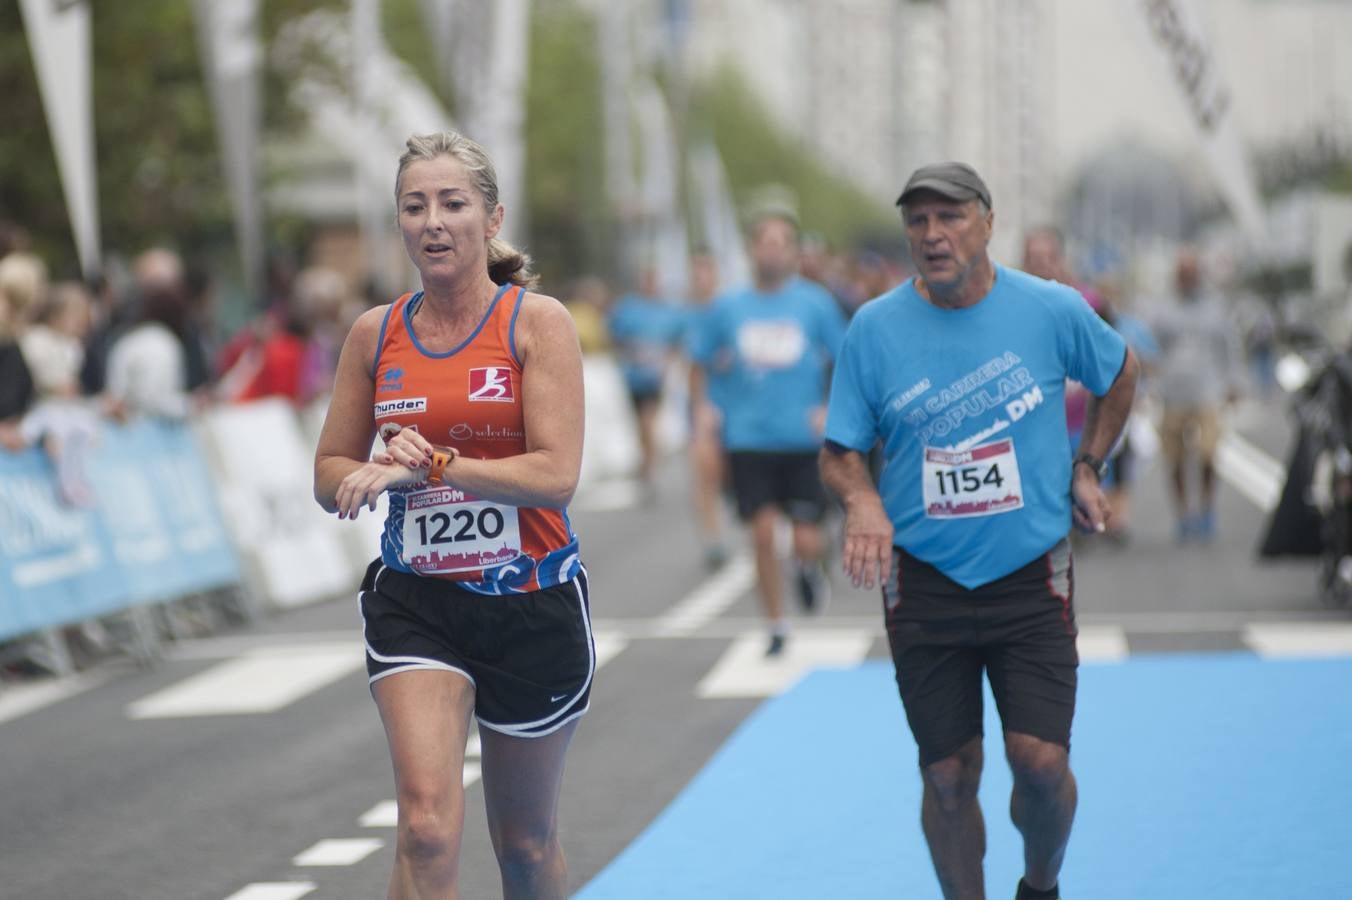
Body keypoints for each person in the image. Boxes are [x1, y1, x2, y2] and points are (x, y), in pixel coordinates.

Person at [820, 162, 1138, 900]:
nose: (933, 234)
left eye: (950, 217)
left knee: (1040, 764)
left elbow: (1120, 373)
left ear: (987, 223)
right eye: (919, 220)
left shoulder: (1050, 309)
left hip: (1029, 572)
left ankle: (1041, 884)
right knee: (948, 773)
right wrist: (862, 501)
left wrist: (1089, 463)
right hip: (924, 578)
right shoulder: (874, 328)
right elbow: (839, 453)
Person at [313, 131, 590, 900]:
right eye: (415, 206)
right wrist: (364, 479)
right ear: (398, 224)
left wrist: (430, 466)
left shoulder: (538, 324)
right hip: (418, 601)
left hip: (530, 602)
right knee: (427, 828)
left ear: (491, 217)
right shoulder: (376, 332)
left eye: (452, 203)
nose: (433, 221)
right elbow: (328, 468)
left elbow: (555, 476)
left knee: (526, 847)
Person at [690, 204, 847, 655]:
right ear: (751, 249)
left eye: (782, 243)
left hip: (801, 439)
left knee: (804, 535)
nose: (773, 251)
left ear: (793, 251)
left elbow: (845, 360)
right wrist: (705, 409)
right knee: (760, 532)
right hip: (748, 437)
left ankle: (807, 567)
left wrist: (828, 408)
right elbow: (700, 361)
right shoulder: (728, 306)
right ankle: (775, 623)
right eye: (765, 242)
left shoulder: (815, 303)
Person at [1150, 246, 1244, 543]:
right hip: (1173, 393)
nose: (1187, 278)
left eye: (1191, 273)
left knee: (1208, 453)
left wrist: (1234, 382)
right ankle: (1183, 514)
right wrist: (1148, 384)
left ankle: (1206, 507)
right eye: (1182, 274)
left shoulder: (1216, 307)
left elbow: (1230, 346)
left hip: (1208, 391)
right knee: (1174, 458)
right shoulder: (1162, 309)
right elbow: (1152, 349)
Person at [605, 265, 684, 495]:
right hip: (633, 377)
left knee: (649, 421)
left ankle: (649, 468)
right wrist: (629, 355)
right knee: (639, 425)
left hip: (655, 378)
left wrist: (667, 364)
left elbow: (676, 342)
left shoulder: (668, 310)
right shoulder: (627, 309)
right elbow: (614, 338)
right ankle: (647, 458)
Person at [683, 247, 730, 569]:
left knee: (728, 477)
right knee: (704, 474)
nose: (701, 278)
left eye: (706, 271)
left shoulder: (730, 309)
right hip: (701, 405)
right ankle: (713, 540)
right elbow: (687, 362)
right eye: (696, 271)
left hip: (736, 406)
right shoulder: (685, 314)